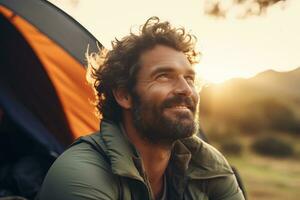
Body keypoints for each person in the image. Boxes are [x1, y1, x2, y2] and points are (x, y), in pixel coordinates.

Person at [38, 17, 245, 200]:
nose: (186, 89)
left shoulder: (207, 164)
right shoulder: (81, 174)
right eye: (163, 76)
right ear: (124, 95)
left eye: (189, 78)